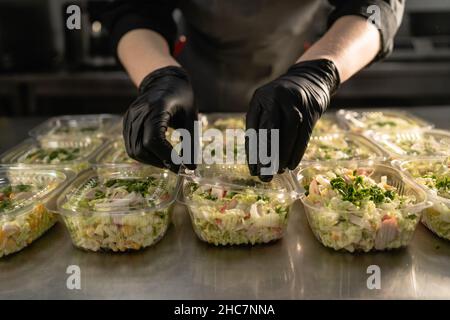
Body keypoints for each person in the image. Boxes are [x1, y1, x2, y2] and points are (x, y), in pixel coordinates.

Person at [101, 0, 404, 180]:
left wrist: (318, 72)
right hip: (193, 77)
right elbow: (131, 7)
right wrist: (158, 75)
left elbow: (375, 3)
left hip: (301, 62)